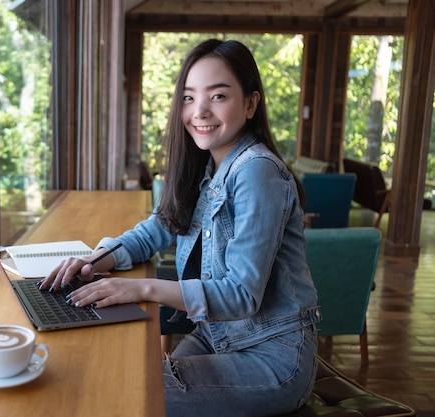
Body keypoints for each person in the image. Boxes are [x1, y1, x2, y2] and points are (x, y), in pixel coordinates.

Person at [39, 39, 320, 417]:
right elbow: (158, 227)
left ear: (251, 104)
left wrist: (139, 288)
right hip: (218, 335)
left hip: (273, 357)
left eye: (218, 96)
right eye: (189, 98)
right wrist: (97, 260)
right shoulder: (208, 167)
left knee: (127, 395)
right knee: (132, 382)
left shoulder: (256, 171)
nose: (199, 111)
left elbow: (241, 295)